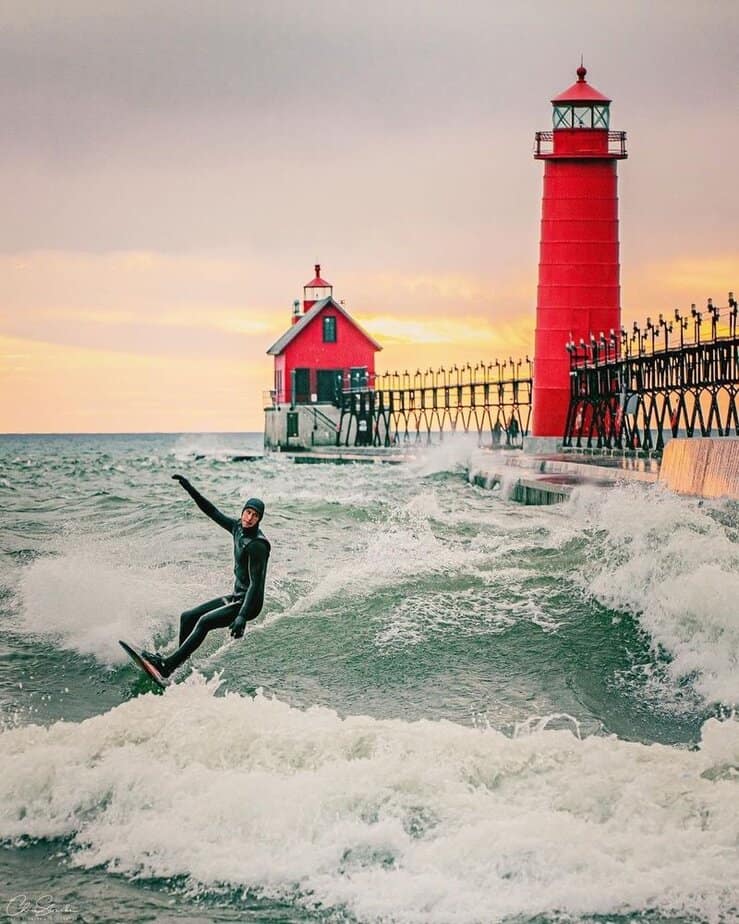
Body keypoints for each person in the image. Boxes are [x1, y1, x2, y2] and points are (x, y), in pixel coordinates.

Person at [143, 474, 270, 678]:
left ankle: (167, 666)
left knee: (204, 621)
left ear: (259, 519)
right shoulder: (238, 527)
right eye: (247, 512)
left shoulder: (257, 545)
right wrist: (189, 488)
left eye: (255, 516)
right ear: (243, 511)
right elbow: (211, 511)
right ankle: (179, 663)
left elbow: (256, 583)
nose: (249, 518)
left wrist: (242, 616)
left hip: (249, 602)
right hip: (236, 596)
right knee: (188, 617)